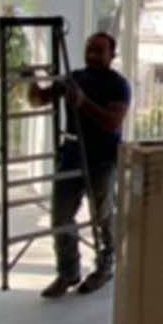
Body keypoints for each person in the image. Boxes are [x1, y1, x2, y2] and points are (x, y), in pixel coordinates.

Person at [30, 32, 131, 298]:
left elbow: (112, 122)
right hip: (72, 154)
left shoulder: (118, 85)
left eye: (99, 50)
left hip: (103, 158)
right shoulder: (73, 78)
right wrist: (32, 80)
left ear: (112, 55)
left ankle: (105, 267)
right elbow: (38, 99)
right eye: (89, 49)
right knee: (60, 217)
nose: (93, 55)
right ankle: (68, 273)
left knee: (103, 217)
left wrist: (83, 103)